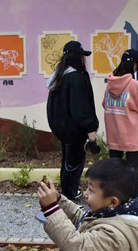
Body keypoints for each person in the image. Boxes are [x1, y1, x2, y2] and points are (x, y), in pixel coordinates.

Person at [47, 40, 99, 202]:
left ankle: (67, 192)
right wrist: (90, 128)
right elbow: (80, 107)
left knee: (68, 161)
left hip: (64, 129)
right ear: (76, 58)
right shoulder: (75, 77)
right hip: (75, 130)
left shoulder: (60, 75)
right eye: (81, 56)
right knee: (74, 163)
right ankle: (69, 195)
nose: (83, 60)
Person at [102, 48, 138, 197]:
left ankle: (114, 201)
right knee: (131, 171)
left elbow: (104, 104)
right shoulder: (133, 85)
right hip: (132, 135)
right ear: (134, 65)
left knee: (115, 171)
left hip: (114, 135)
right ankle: (132, 202)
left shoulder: (110, 83)